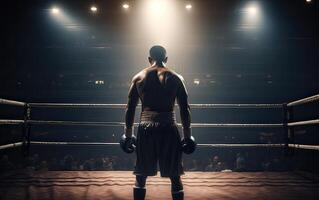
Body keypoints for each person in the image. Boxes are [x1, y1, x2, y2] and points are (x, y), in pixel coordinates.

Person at [120, 45, 196, 200]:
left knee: (141, 174)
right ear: (166, 59)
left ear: (149, 59)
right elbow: (184, 109)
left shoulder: (139, 77)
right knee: (175, 175)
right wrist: (188, 136)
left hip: (146, 128)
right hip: (168, 127)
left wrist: (128, 135)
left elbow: (130, 109)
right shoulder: (176, 78)